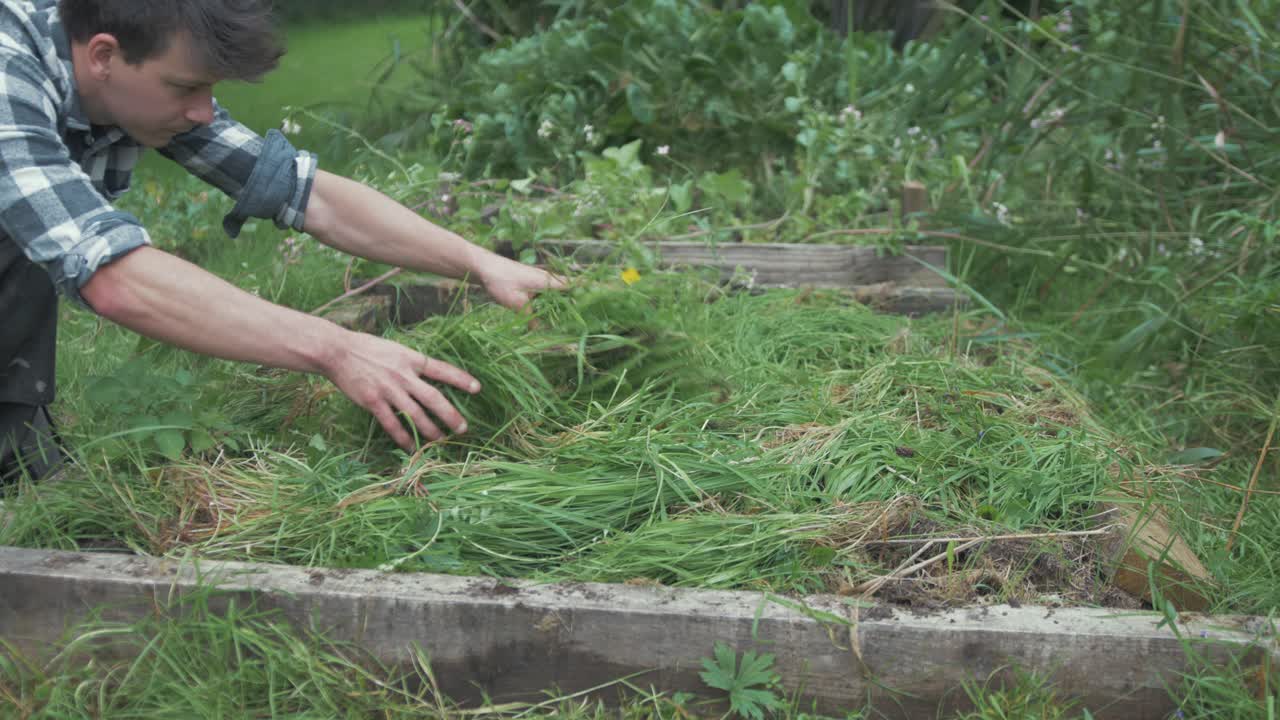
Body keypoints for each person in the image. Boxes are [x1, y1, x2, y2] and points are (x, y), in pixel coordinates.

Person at [0, 0, 563, 484]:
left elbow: (302, 190)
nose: (202, 111)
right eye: (186, 87)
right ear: (102, 56)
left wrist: (478, 262)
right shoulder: (7, 72)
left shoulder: (129, 76)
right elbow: (114, 279)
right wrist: (339, 350)